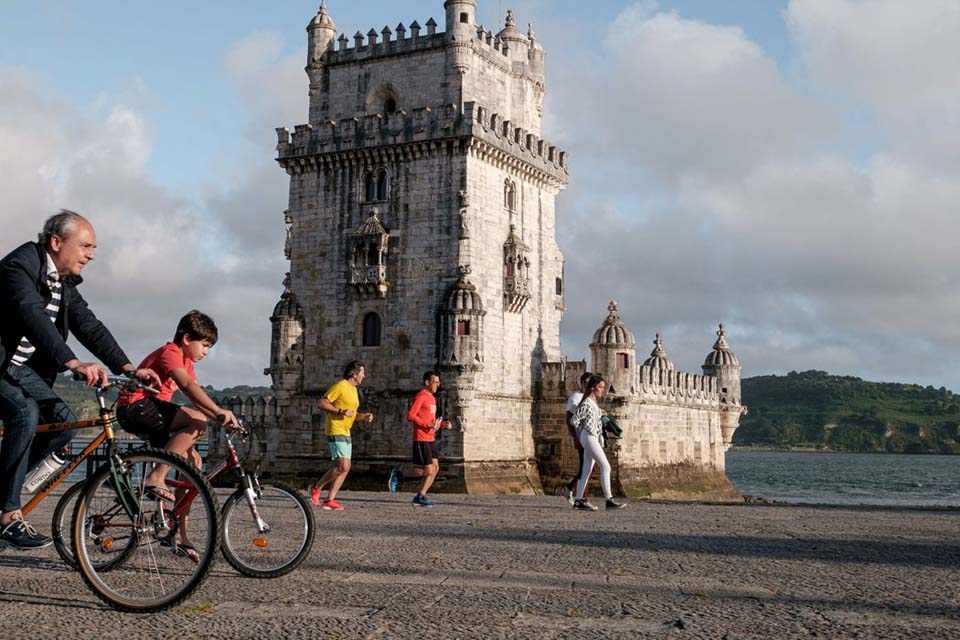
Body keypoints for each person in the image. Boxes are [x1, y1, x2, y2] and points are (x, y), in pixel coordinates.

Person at [0, 210, 160, 548]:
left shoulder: (63, 282)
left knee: (64, 424)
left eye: (94, 248)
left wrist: (128, 368)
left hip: (18, 368)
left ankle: (5, 491)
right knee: (25, 414)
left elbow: (89, 325)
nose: (91, 255)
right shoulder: (20, 266)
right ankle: (8, 514)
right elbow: (31, 314)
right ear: (56, 242)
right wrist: (71, 361)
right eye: (85, 246)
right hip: (2, 365)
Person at [115, 310, 239, 561]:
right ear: (186, 339)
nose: (206, 352)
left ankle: (179, 535)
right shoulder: (170, 352)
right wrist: (215, 412)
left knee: (194, 464)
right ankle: (156, 477)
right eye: (204, 345)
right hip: (135, 407)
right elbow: (188, 388)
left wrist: (221, 418)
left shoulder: (187, 362)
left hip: (155, 415)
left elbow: (196, 398)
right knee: (197, 421)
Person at [308, 360, 374, 511]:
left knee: (347, 466)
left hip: (346, 430)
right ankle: (316, 487)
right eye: (362, 373)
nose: (364, 376)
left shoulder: (353, 390)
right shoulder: (341, 386)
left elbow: (351, 414)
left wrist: (363, 416)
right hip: (335, 429)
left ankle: (329, 500)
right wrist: (340, 412)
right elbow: (323, 403)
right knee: (342, 465)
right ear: (354, 373)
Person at [387, 370, 451, 507]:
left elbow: (432, 422)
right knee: (428, 470)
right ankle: (399, 474)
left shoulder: (432, 399)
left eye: (439, 383)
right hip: (421, 438)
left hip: (430, 437)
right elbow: (410, 415)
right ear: (427, 382)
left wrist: (443, 424)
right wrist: (425, 424)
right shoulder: (421, 396)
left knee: (435, 468)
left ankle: (420, 496)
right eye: (435, 382)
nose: (437, 385)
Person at [572, 374, 626, 511]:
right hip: (589, 436)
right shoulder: (586, 403)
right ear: (593, 388)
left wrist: (600, 418)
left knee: (586, 471)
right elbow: (574, 420)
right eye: (600, 387)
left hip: (591, 436)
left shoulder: (593, 404)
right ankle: (609, 499)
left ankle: (578, 500)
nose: (602, 390)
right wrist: (586, 426)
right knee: (606, 467)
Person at [561, 371, 593, 505]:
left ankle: (570, 489)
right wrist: (575, 438)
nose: (587, 385)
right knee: (586, 468)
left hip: (591, 438)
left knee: (588, 468)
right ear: (581, 383)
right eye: (585, 383)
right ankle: (582, 497)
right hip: (581, 437)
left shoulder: (590, 398)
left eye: (590, 383)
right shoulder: (576, 397)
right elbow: (568, 418)